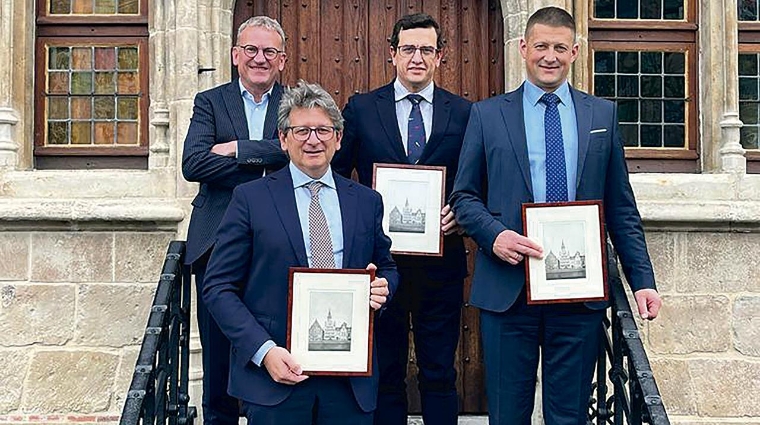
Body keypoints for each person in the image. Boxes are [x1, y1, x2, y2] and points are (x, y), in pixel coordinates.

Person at [449, 7, 663, 425]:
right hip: (509, 292)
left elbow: (621, 207)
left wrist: (642, 281)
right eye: (542, 46)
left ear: (576, 52)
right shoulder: (488, 115)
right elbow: (464, 197)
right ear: (524, 48)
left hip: (577, 293)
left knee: (569, 417)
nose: (550, 56)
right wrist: (495, 236)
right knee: (508, 416)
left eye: (560, 48)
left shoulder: (601, 115)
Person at [201, 80, 400, 425]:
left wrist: (383, 287)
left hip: (349, 382)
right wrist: (264, 352)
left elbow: (387, 268)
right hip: (275, 379)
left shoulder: (367, 202)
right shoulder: (250, 199)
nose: (313, 140)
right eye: (302, 130)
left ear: (338, 139)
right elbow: (218, 288)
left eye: (323, 130)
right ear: (283, 138)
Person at [331, 13, 471, 425]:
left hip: (441, 265)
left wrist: (463, 214)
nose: (417, 57)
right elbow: (337, 178)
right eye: (408, 49)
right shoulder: (360, 109)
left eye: (426, 50)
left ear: (440, 56)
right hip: (378, 268)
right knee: (386, 372)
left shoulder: (463, 113)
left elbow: (478, 180)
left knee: (440, 372)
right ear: (392, 54)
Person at [181, 16, 289, 425]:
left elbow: (299, 153)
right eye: (251, 50)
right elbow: (193, 163)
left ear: (282, 60)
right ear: (234, 56)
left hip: (278, 243)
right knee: (218, 352)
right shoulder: (209, 101)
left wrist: (236, 149)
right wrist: (264, 163)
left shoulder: (295, 104)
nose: (259, 59)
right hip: (216, 242)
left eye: (269, 52)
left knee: (275, 344)